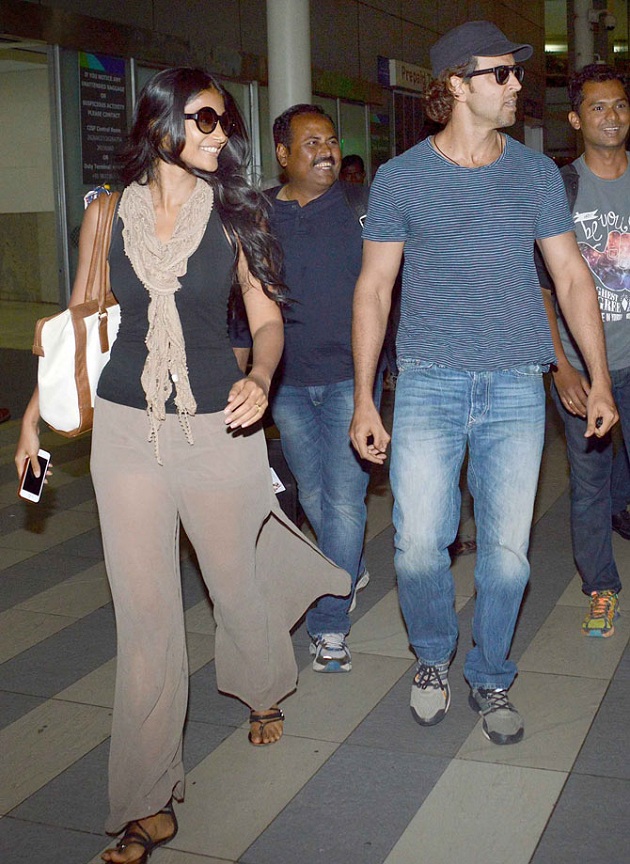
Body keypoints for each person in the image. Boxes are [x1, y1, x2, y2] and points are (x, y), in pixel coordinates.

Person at [15, 68, 349, 863]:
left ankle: (263, 687)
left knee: (233, 586)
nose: (219, 135)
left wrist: (261, 378)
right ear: (162, 122)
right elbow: (82, 318)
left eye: (224, 124)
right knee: (147, 622)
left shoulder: (236, 214)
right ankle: (145, 801)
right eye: (204, 120)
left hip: (216, 429)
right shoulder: (104, 213)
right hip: (128, 430)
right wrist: (33, 417)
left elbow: (267, 321)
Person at [350, 21, 617, 745]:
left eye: (517, 73)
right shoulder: (402, 176)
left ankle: (491, 674)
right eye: (502, 74)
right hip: (431, 383)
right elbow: (374, 290)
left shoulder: (533, 175)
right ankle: (433, 656)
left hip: (512, 387)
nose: (517, 85)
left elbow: (569, 276)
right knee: (416, 547)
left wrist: (598, 380)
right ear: (456, 86)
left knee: (506, 556)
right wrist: (365, 397)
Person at [266, 104, 380, 673]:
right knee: (314, 497)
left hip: (350, 382)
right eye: (310, 143)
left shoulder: (363, 208)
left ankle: (329, 623)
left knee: (344, 499)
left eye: (331, 140)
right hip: (285, 383)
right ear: (283, 155)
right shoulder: (258, 215)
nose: (326, 151)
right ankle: (347, 564)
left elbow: (390, 291)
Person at [539, 64, 630, 638]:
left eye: (620, 105)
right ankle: (600, 586)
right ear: (575, 119)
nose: (612, 116)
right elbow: (541, 288)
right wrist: (562, 366)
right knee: (590, 484)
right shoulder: (559, 187)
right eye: (597, 107)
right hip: (585, 370)